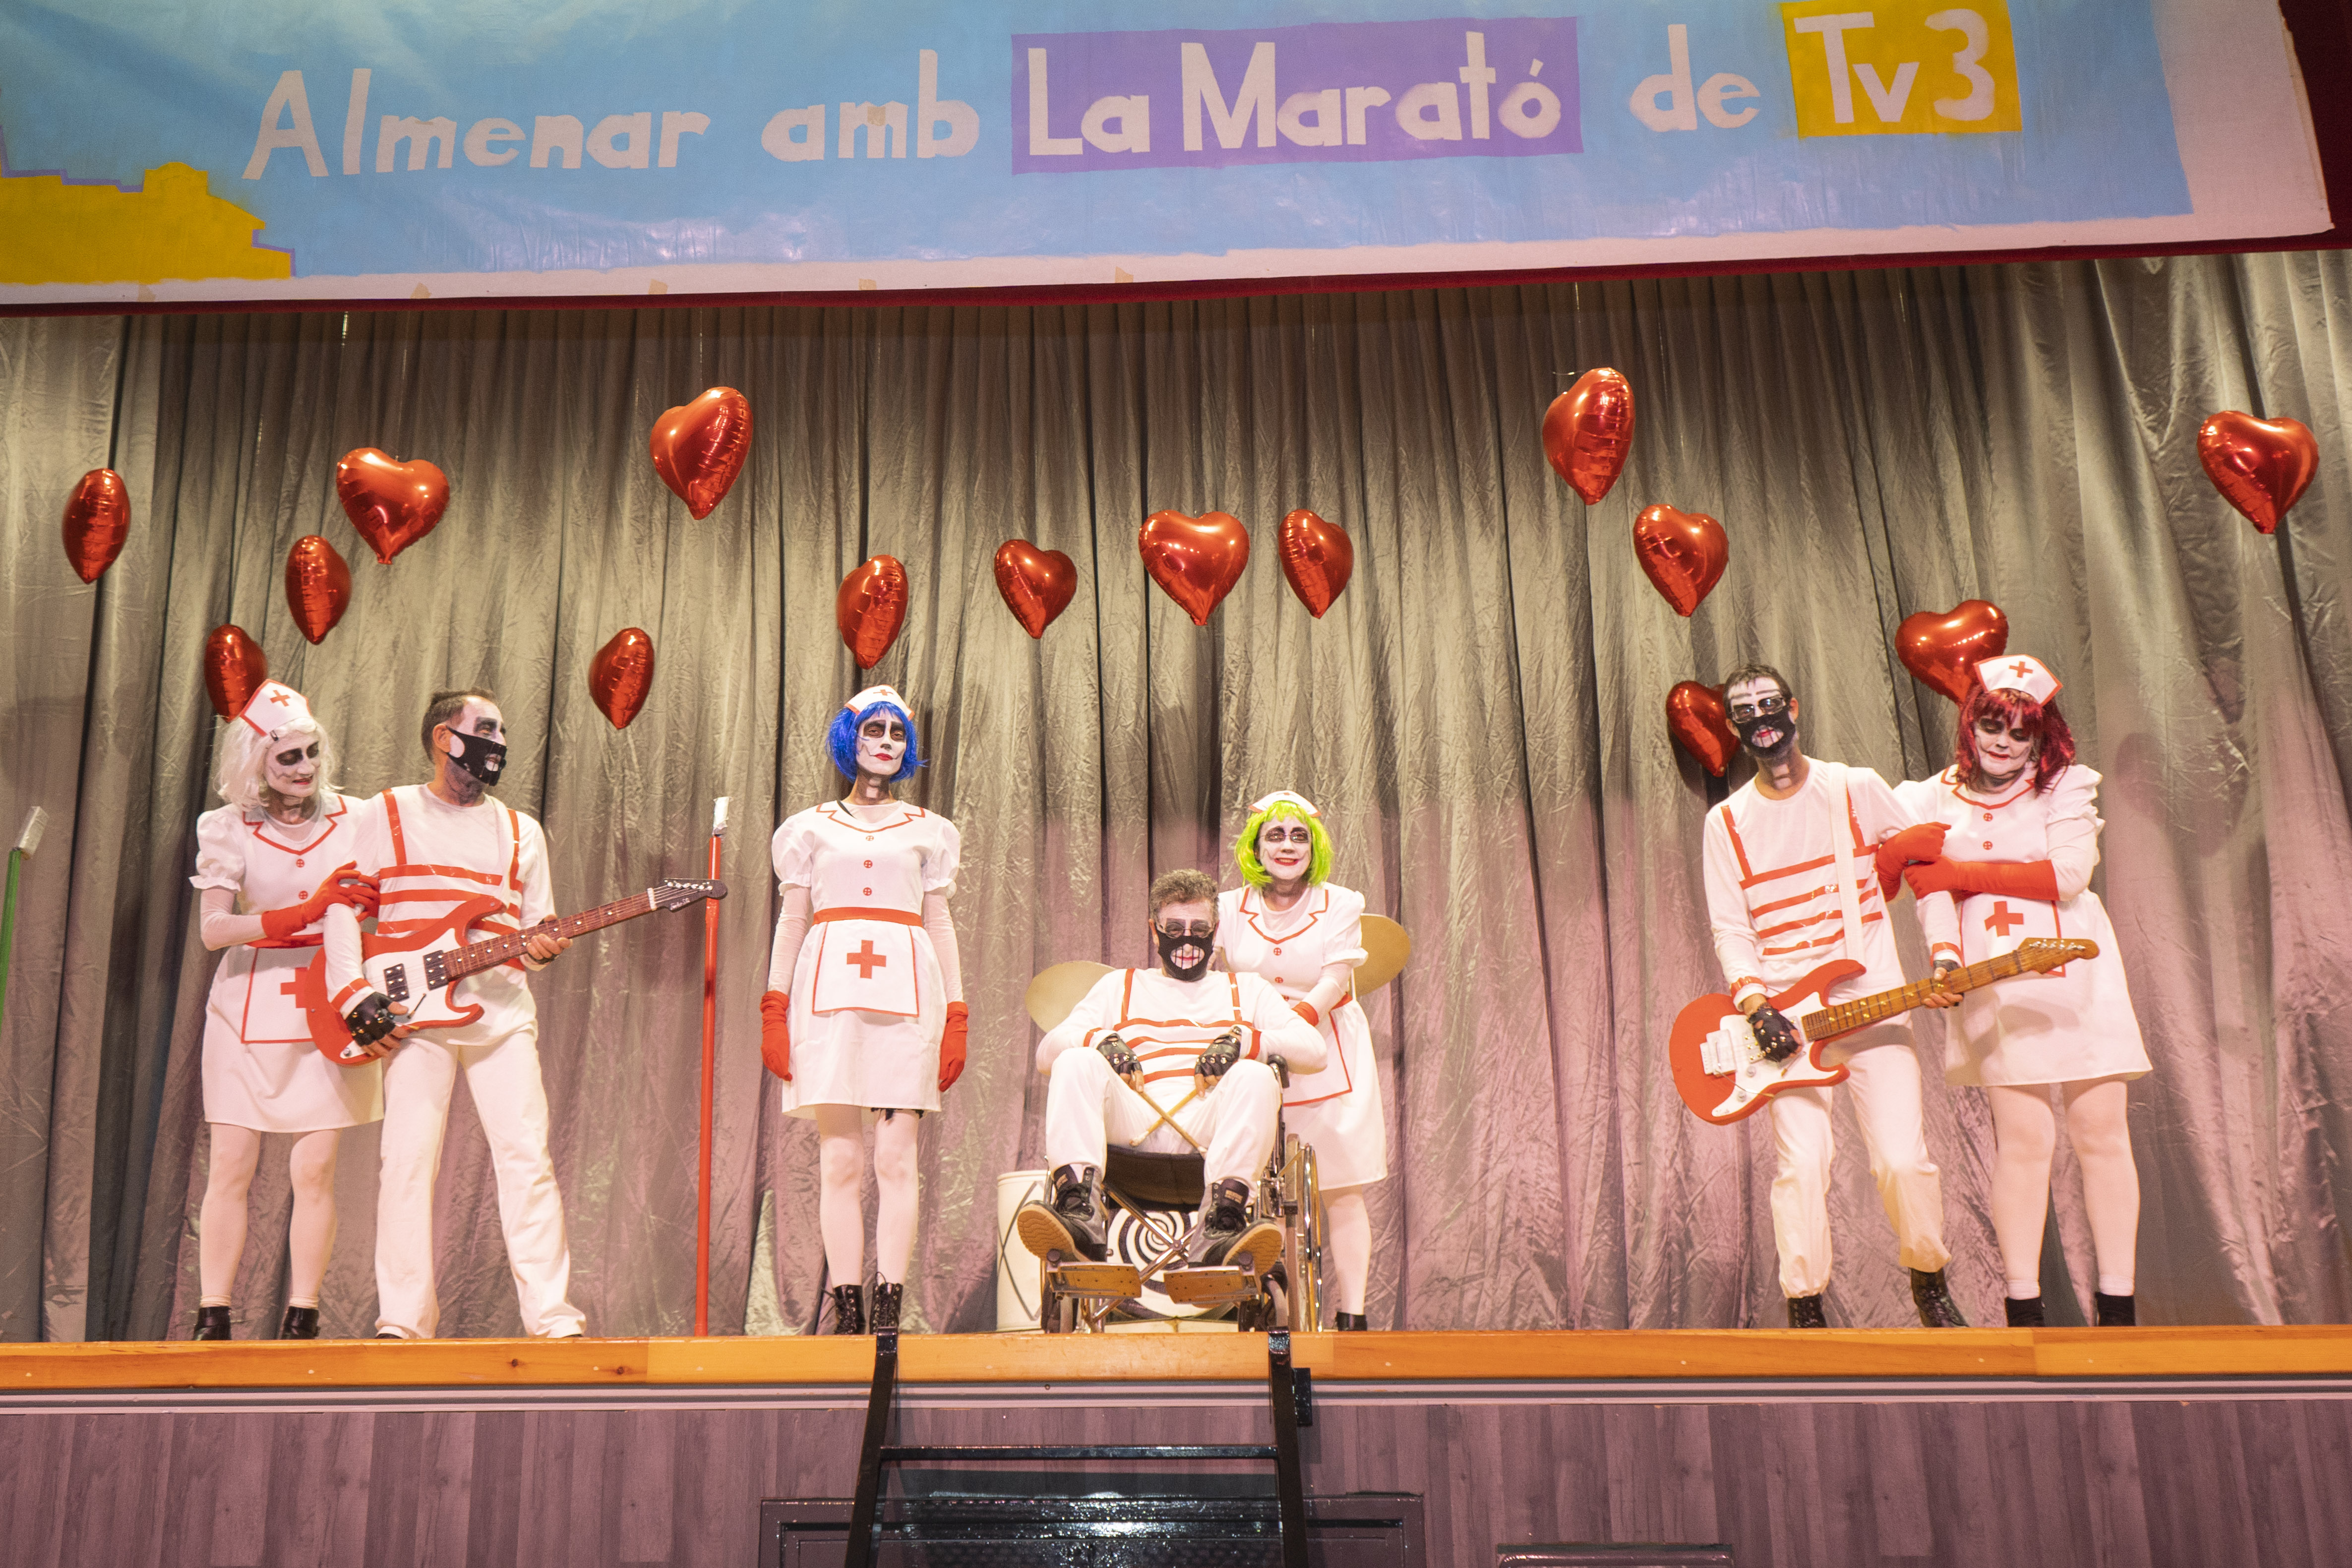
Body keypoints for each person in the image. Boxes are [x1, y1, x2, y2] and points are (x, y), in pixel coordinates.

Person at [1699, 662, 1967, 1329]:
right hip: (1786, 1025)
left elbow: (1925, 868)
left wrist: (1944, 953)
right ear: (1733, 727)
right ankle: (1805, 1309)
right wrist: (1756, 1005)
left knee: (1901, 1160)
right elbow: (1731, 928)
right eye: (1744, 712)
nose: (1761, 720)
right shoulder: (1726, 822)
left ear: (1792, 707)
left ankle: (1928, 1281)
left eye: (1769, 704)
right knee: (1800, 1166)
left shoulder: (1854, 787)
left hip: (1871, 1004)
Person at [323, 688, 585, 1340]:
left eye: (502, 732)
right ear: (445, 737)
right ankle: (403, 1320)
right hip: (415, 1015)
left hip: (501, 1011)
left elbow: (537, 930)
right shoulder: (387, 811)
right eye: (486, 730)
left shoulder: (521, 831)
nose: (499, 743)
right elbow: (343, 908)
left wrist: (543, 951)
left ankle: (552, 1317)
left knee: (526, 1156)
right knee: (407, 1162)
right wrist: (353, 993)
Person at [1895, 655, 2149, 1327]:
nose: (2003, 743)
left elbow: (2067, 875)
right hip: (1994, 978)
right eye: (1992, 726)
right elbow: (1929, 890)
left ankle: (2118, 1308)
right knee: (2024, 1140)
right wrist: (1945, 956)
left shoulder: (2064, 786)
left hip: (2079, 970)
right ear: (1969, 724)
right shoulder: (1929, 798)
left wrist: (1960, 872)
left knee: (2100, 1130)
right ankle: (2022, 1308)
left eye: (2020, 732)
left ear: (2040, 739)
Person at [761, 685, 968, 1335]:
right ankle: (847, 1310)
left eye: (897, 732)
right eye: (874, 730)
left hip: (909, 999)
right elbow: (793, 919)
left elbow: (940, 921)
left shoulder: (930, 830)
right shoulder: (809, 827)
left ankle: (888, 1309)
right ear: (850, 739)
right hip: (829, 1000)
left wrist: (957, 1012)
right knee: (841, 1159)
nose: (886, 742)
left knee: (896, 1159)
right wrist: (774, 1005)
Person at [186, 681, 382, 1340]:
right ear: (256, 763)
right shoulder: (226, 828)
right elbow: (214, 930)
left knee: (315, 1168)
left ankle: (304, 1313)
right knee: (231, 1164)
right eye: (288, 757)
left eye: (311, 752)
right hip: (247, 1004)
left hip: (329, 1000)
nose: (304, 768)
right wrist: (302, 913)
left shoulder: (357, 818)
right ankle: (213, 1313)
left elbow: (380, 902)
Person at [1016, 867, 1326, 1281]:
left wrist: (1246, 1042)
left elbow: (1315, 1053)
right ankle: (1078, 1214)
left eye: (1199, 929)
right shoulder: (1119, 986)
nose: (1187, 939)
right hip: (1132, 1130)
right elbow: (1046, 1055)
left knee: (1255, 1074)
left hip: (1211, 1131)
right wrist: (1098, 1038)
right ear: (1154, 930)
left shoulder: (1247, 990)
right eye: (1174, 928)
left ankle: (1222, 1226)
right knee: (1075, 1059)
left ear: (1215, 931)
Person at [1214, 791, 1387, 1330]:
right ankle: (1260, 1310)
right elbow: (1217, 981)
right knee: (1251, 1183)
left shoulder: (1341, 902)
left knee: (1341, 1186)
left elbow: (1336, 978)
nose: (1287, 846)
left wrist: (1295, 1025)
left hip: (1328, 1048)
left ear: (1314, 848)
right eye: (1275, 836)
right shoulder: (1227, 907)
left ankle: (1352, 1316)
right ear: (1255, 847)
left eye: (1298, 837)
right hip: (1256, 1054)